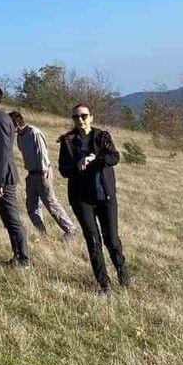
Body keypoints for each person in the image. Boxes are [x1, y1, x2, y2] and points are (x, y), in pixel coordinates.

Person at [58, 103, 128, 293]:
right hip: (81, 198)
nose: (80, 120)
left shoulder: (102, 136)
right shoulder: (67, 140)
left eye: (83, 116)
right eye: (76, 117)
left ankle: (123, 276)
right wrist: (77, 165)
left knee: (112, 239)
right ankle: (104, 284)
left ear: (91, 117)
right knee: (93, 240)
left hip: (104, 195)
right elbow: (63, 169)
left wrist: (94, 159)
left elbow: (114, 157)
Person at [0, 84, 31, 267]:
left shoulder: (0, 119)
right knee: (7, 219)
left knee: (12, 219)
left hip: (4, 178)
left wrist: (0, 182)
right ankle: (16, 256)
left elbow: (2, 152)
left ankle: (24, 259)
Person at [10, 110, 76, 239]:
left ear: (16, 124)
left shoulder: (34, 132)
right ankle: (41, 233)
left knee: (50, 203)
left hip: (42, 172)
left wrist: (44, 170)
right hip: (31, 174)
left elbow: (42, 151)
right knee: (32, 206)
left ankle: (70, 229)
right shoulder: (19, 137)